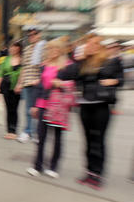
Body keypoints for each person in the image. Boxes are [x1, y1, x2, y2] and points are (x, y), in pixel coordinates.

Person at [56, 35, 124, 190]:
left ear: (100, 46)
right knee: (87, 140)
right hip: (84, 106)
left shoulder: (110, 61)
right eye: (89, 44)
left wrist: (114, 81)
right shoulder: (82, 63)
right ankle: (88, 172)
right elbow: (64, 74)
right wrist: (76, 58)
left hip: (101, 106)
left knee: (98, 140)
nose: (91, 46)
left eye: (95, 44)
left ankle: (98, 174)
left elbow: (120, 79)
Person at [26, 38, 75, 179]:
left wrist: (61, 84)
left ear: (61, 50)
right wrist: (34, 105)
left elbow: (74, 84)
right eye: (50, 48)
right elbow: (40, 86)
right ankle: (37, 166)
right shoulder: (44, 65)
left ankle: (53, 167)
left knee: (57, 138)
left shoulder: (68, 65)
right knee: (41, 137)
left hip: (58, 106)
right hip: (43, 105)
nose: (53, 51)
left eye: (56, 48)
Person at [15, 28, 45, 143]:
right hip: (27, 83)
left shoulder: (43, 48)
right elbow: (24, 67)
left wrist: (40, 79)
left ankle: (36, 132)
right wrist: (19, 83)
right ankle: (28, 131)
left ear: (39, 35)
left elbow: (45, 66)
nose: (31, 36)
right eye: (29, 35)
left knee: (37, 110)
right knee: (28, 109)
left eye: (34, 34)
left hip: (38, 83)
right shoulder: (27, 49)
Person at [0, 40, 22, 139]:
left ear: (19, 48)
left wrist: (19, 84)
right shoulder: (6, 59)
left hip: (17, 87)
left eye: (15, 46)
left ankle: (14, 130)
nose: (13, 48)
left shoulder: (22, 60)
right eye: (11, 46)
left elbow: (23, 73)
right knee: (8, 108)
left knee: (14, 109)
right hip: (6, 86)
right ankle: (9, 130)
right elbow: (0, 74)